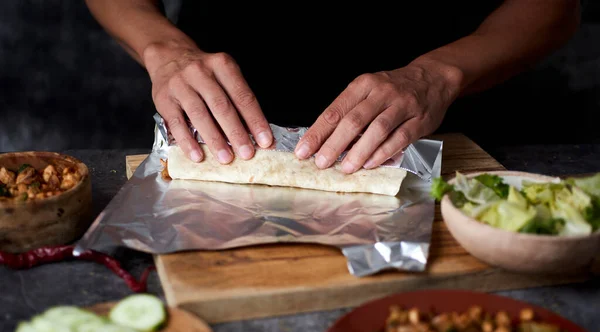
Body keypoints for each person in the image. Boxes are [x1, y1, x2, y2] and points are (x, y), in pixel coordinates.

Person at [85, 0, 580, 174]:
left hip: (436, 133)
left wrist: (440, 73)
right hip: (211, 122)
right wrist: (163, 49)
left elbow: (553, 8)